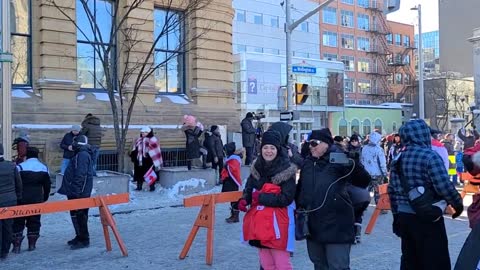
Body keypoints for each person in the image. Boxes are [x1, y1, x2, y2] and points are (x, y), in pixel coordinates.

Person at [388, 119, 464, 270]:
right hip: (428, 217)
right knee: (435, 260)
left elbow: (393, 191)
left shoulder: (398, 158)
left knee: (410, 259)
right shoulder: (430, 156)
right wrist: (457, 205)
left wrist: (396, 216)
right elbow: (444, 186)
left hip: (405, 217)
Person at [296, 128, 356, 269]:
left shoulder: (339, 158)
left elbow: (362, 180)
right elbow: (300, 190)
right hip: (313, 226)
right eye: (309, 143)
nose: (311, 146)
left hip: (337, 226)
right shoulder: (308, 163)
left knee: (337, 266)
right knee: (319, 265)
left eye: (314, 143)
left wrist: (350, 161)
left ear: (326, 144)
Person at [239, 130, 297, 270]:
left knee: (282, 264)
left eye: (272, 148)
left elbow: (286, 198)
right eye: (265, 147)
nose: (268, 151)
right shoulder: (256, 167)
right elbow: (249, 188)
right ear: (261, 149)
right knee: (266, 264)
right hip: (260, 223)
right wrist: (244, 199)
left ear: (278, 149)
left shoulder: (286, 169)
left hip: (279, 224)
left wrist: (261, 197)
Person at [12, 147, 51, 253]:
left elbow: (16, 183)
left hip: (21, 198)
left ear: (26, 155)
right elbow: (47, 185)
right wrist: (45, 197)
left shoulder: (20, 167)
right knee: (34, 220)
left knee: (18, 221)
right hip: (36, 198)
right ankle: (32, 245)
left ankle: (16, 246)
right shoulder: (43, 168)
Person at [58, 135, 94, 250]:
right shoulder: (80, 154)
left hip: (79, 193)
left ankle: (84, 239)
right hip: (77, 191)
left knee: (81, 215)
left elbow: (80, 175)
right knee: (76, 215)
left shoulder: (82, 155)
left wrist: (76, 192)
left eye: (74, 143)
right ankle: (79, 236)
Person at [0, 143, 22, 260]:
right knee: (8, 226)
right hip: (10, 200)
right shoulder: (11, 166)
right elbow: (18, 183)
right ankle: (4, 251)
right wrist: (17, 196)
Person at [130, 127, 163, 191]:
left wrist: (151, 158)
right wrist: (134, 155)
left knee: (150, 173)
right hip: (139, 160)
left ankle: (152, 187)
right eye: (142, 132)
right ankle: (139, 186)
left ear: (149, 132)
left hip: (148, 160)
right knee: (139, 173)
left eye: (145, 132)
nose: (143, 134)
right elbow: (135, 148)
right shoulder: (138, 140)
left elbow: (156, 151)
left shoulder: (152, 140)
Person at [361, 131, 387, 205]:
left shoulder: (364, 148)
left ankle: (363, 205)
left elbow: (362, 161)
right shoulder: (379, 149)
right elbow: (382, 163)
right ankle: (380, 206)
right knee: (378, 191)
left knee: (366, 190)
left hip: (366, 173)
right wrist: (385, 174)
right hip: (377, 174)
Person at [221, 142, 242, 223]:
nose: (224, 152)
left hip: (232, 182)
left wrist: (227, 166)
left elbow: (234, 170)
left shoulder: (234, 159)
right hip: (229, 181)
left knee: (234, 199)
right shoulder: (230, 158)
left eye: (225, 150)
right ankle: (233, 215)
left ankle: (235, 216)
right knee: (231, 198)